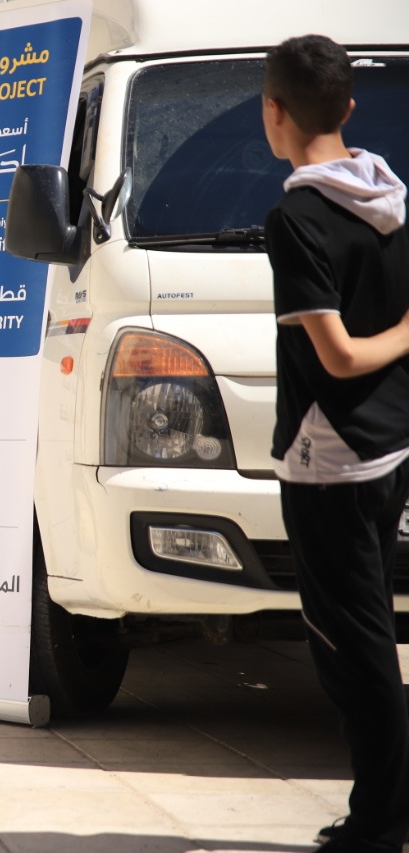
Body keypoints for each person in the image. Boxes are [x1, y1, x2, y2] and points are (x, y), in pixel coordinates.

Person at [261, 35, 409, 853]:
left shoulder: (297, 217)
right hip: (390, 445)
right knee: (367, 630)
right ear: (349, 109)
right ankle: (379, 808)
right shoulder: (393, 196)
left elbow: (341, 354)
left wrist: (400, 334)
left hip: (331, 455)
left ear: (272, 113)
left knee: (351, 643)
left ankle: (380, 822)